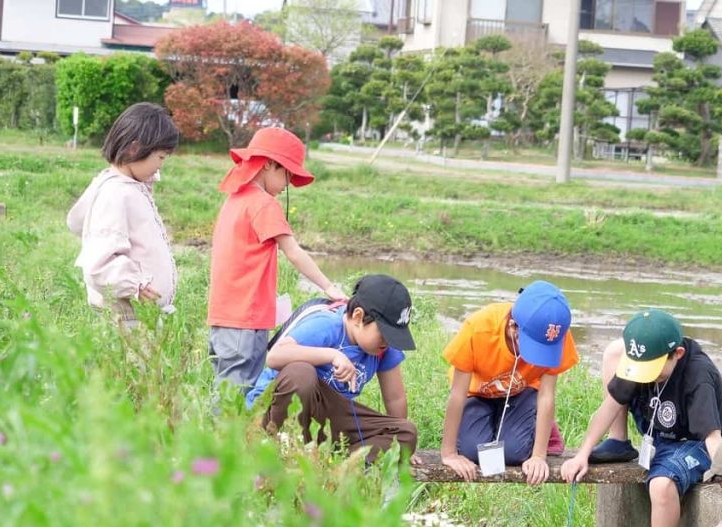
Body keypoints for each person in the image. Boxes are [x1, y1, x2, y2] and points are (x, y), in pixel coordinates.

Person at [560, 308, 722, 527]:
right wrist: (582, 453)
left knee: (662, 484)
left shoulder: (697, 374)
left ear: (677, 353)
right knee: (613, 352)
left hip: (690, 443)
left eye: (653, 369)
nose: (643, 375)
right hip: (656, 435)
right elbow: (608, 406)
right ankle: (619, 442)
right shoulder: (641, 364)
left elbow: (713, 438)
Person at [207, 127, 344, 390]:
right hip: (245, 320)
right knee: (236, 396)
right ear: (269, 164)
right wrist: (329, 287)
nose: (287, 184)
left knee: (224, 390)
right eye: (288, 174)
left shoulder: (234, 199)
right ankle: (224, 434)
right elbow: (293, 252)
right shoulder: (264, 203)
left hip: (223, 317)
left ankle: (214, 432)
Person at [246, 274, 417, 461]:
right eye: (384, 334)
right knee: (301, 374)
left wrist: (405, 449)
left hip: (328, 418)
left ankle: (341, 466)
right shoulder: (327, 325)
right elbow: (275, 357)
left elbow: (395, 397)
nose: (388, 342)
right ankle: (277, 445)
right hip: (278, 411)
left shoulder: (384, 348)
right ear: (358, 316)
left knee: (405, 432)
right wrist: (332, 355)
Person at [432, 280, 578, 486]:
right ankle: (506, 422)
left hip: (522, 391)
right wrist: (448, 454)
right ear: (513, 327)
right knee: (473, 451)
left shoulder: (555, 334)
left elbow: (547, 395)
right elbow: (457, 393)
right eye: (533, 346)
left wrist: (538, 456)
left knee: (513, 453)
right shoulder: (478, 329)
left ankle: (541, 429)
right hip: (478, 393)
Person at [67, 102, 180, 328]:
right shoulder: (116, 193)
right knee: (134, 364)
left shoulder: (128, 187)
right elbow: (99, 262)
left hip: (139, 314)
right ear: (135, 149)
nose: (160, 167)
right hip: (127, 317)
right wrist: (134, 285)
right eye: (160, 157)